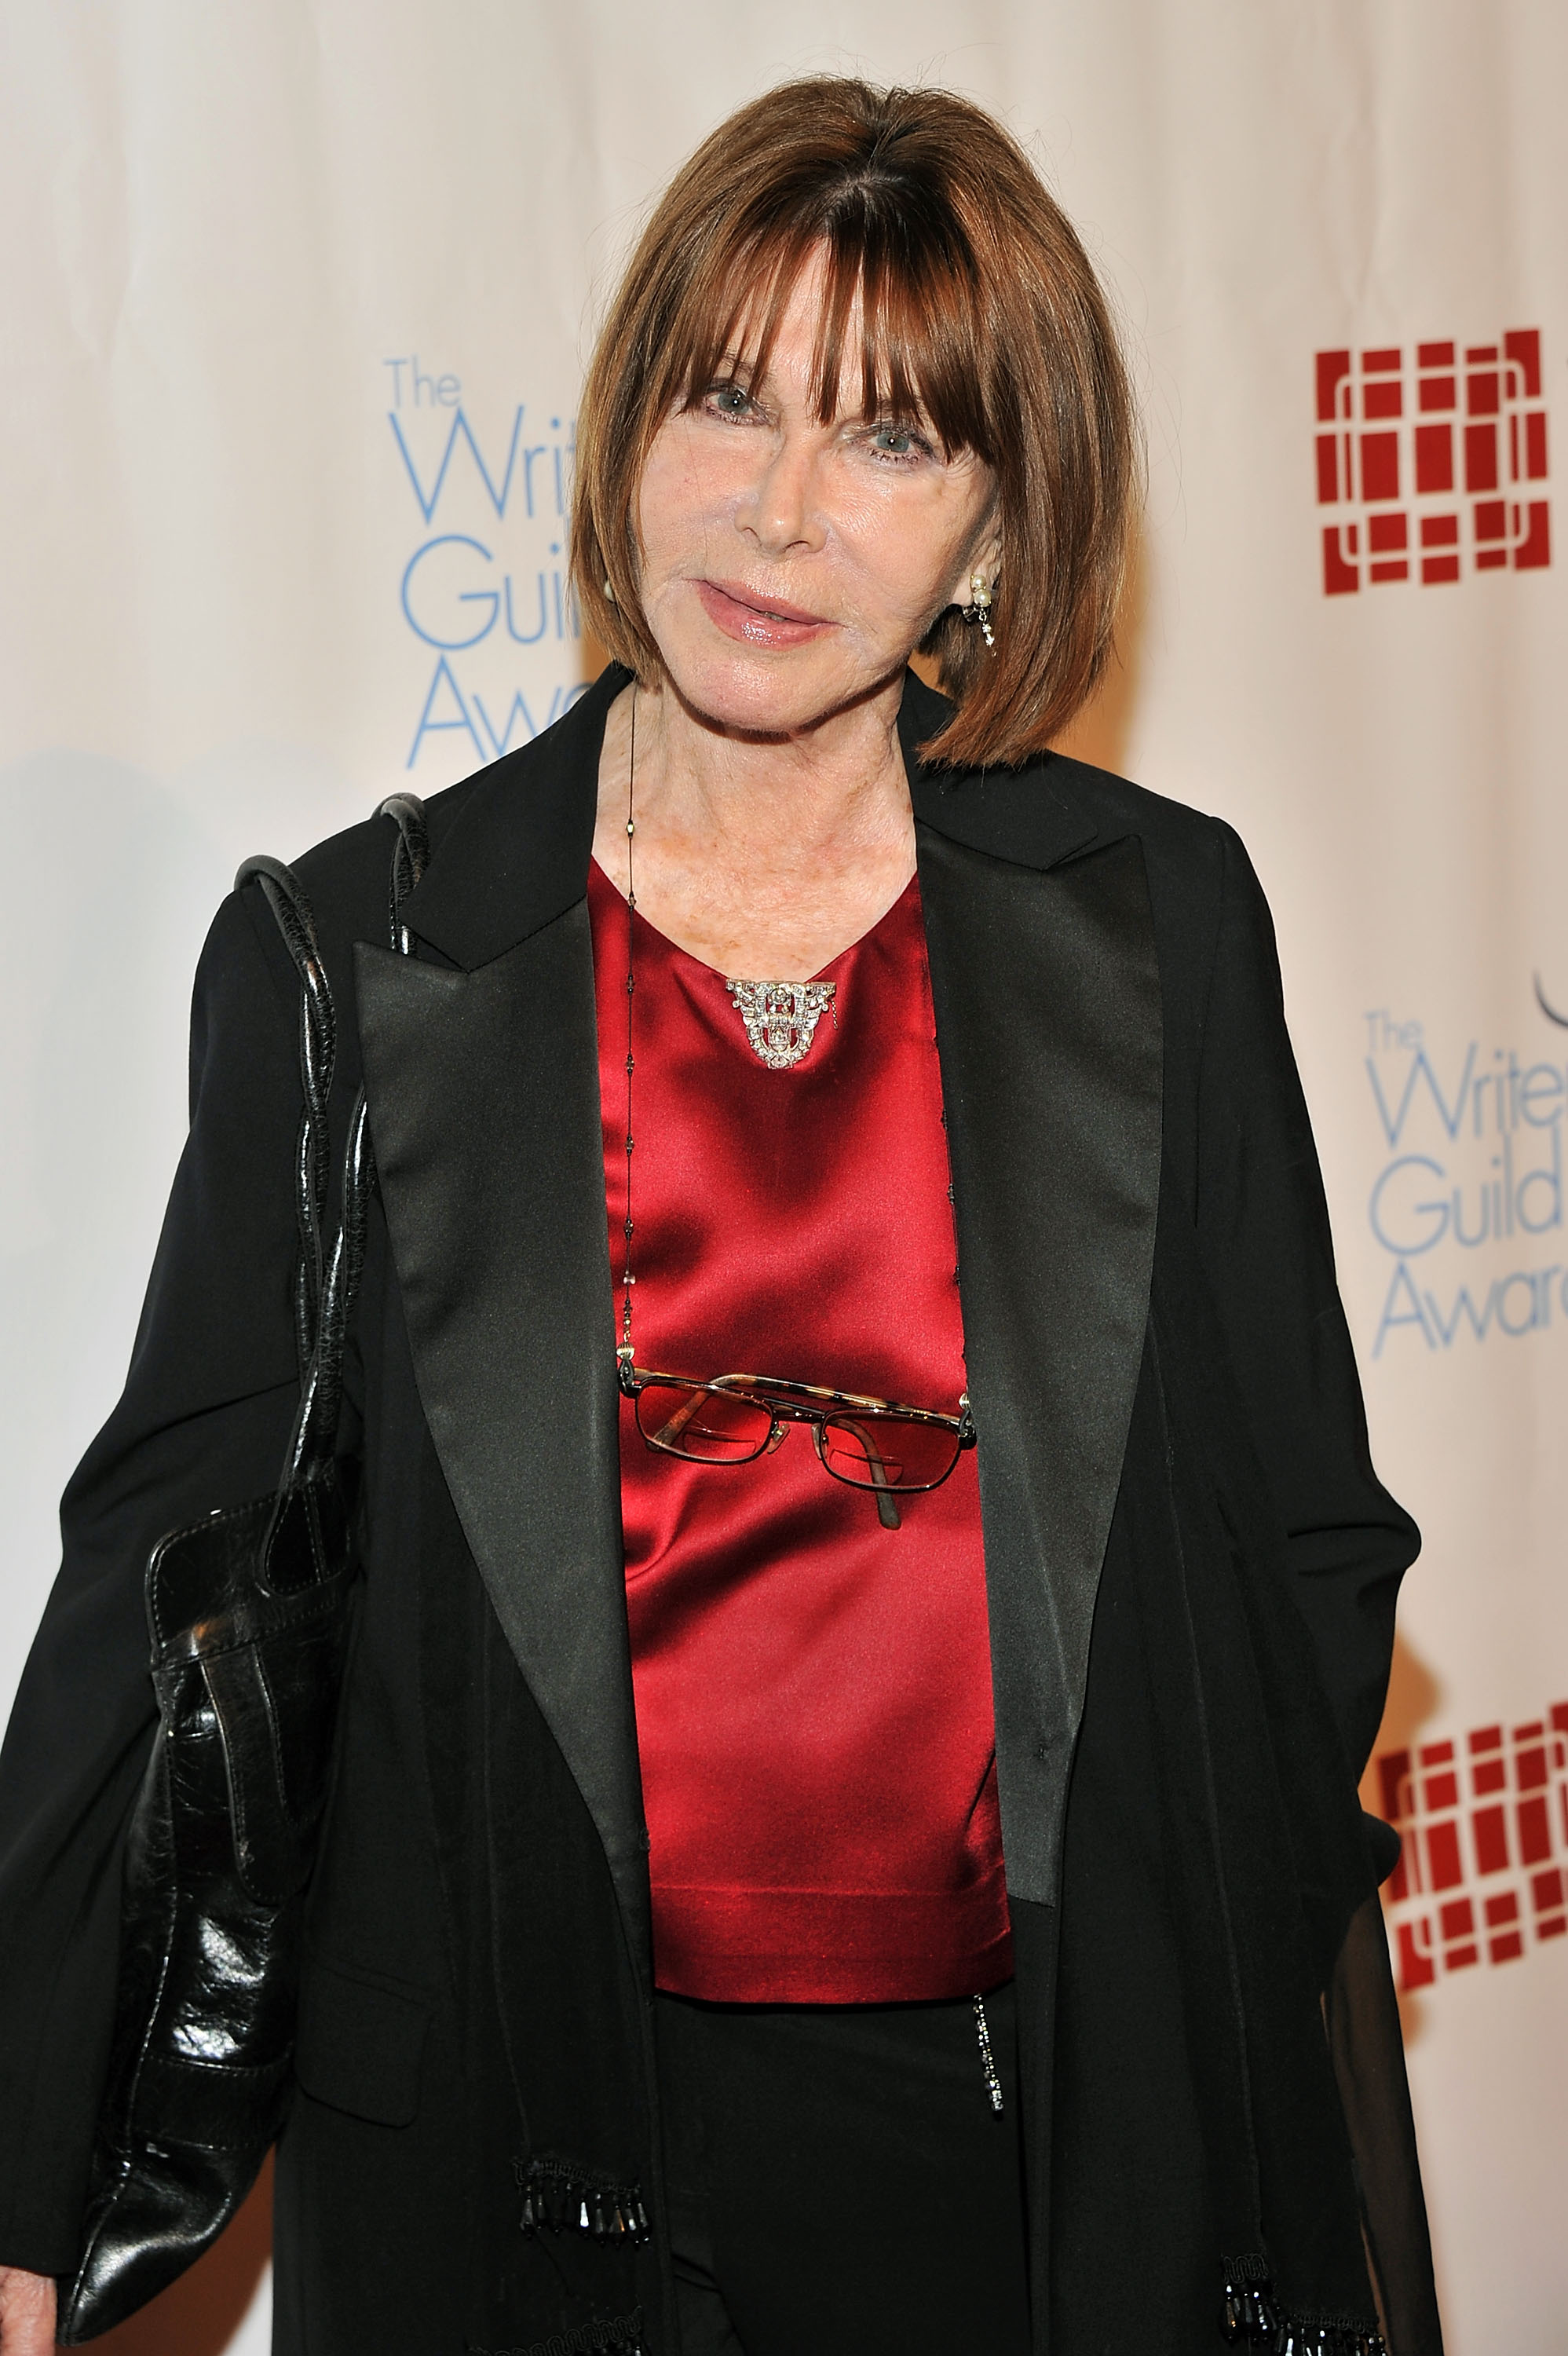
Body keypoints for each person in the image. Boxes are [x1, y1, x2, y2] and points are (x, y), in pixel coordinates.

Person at [0, 75, 1441, 2356]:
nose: (777, 514)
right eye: (727, 397)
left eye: (891, 439)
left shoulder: (1159, 918)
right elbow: (176, 1605)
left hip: (1050, 2159)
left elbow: (1298, 1549)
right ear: (626, 429)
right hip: (510, 2147)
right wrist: (29, 2170)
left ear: (994, 528)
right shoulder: (359, 957)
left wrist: (1181, 1976)